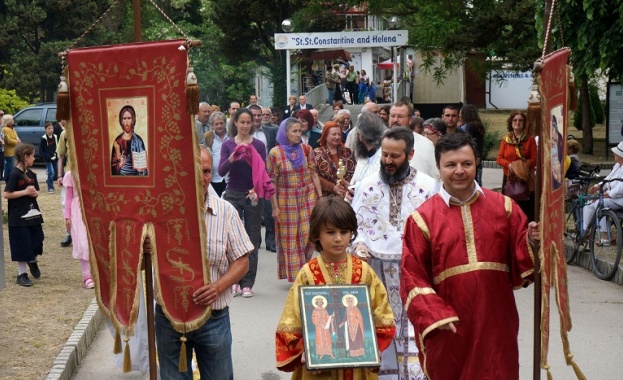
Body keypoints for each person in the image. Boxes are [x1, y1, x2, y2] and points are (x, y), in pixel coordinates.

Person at [400, 132, 540, 380]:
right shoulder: (422, 220)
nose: (459, 171)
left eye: (466, 163)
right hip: (450, 322)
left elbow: (523, 258)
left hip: (496, 318)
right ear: (438, 166)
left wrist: (531, 240)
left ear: (476, 163)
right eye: (451, 165)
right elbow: (412, 276)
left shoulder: (504, 207)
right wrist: (434, 314)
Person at [155, 146, 252, 380]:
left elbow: (242, 262)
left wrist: (217, 288)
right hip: (170, 319)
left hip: (214, 318)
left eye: (207, 171)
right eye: (193, 170)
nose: (201, 177)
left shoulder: (226, 211)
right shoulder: (159, 212)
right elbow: (139, 262)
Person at [350, 127, 438, 379]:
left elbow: (438, 230)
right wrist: (358, 247)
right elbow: (354, 229)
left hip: (415, 272)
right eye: (384, 155)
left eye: (394, 156)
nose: (388, 161)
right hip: (378, 271)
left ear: (409, 155)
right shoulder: (366, 186)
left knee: (413, 329)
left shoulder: (428, 187)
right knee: (381, 326)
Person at [275, 196, 396, 378]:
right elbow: (292, 319)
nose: (338, 239)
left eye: (344, 231)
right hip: (319, 367)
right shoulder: (308, 273)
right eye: (330, 232)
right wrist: (304, 348)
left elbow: (382, 314)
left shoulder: (363, 272)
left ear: (352, 233)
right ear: (316, 234)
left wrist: (373, 346)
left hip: (357, 363)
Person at [219, 108, 267, 298]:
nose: (246, 126)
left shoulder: (259, 145)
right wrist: (234, 156)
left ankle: (247, 283)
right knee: (233, 240)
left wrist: (257, 190)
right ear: (235, 123)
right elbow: (222, 171)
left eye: (249, 122)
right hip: (233, 194)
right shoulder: (228, 145)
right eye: (242, 122)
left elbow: (262, 172)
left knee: (251, 240)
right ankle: (233, 281)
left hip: (253, 194)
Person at [267, 118, 322, 282]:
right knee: (290, 238)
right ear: (285, 133)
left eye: (300, 131)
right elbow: (271, 182)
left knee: (309, 235)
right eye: (294, 131)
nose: (299, 134)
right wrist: (274, 207)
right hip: (285, 198)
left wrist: (320, 197)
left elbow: (313, 174)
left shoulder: (306, 149)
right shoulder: (275, 153)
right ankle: (299, 276)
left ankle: (304, 267)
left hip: (307, 196)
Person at [4, 143, 44, 287]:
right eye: (33, 156)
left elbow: (36, 193)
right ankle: (22, 274)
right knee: (22, 244)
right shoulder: (14, 174)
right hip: (18, 217)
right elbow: (6, 194)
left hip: (33, 215)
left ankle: (32, 260)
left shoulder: (31, 174)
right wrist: (25, 192)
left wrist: (34, 193)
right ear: (26, 157)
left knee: (38, 239)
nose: (34, 158)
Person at [496, 110, 537, 221]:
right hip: (509, 178)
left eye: (520, 120)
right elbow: (499, 158)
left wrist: (520, 167)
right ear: (511, 122)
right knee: (509, 207)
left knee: (526, 209)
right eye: (515, 120)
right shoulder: (506, 140)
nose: (517, 122)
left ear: (524, 123)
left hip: (525, 179)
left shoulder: (530, 140)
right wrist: (509, 166)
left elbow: (534, 160)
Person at [582, 141, 623, 238]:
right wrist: (598, 186)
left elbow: (620, 190)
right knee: (588, 205)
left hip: (620, 199)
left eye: (615, 153)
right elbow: (607, 179)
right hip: (613, 197)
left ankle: (606, 234)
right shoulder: (617, 166)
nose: (613, 154)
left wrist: (603, 195)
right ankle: (585, 230)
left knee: (600, 204)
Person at [389, 101, 439, 179]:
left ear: (410, 120)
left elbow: (435, 176)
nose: (395, 120)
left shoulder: (426, 144)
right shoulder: (378, 142)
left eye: (400, 116)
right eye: (392, 116)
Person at [63, 171, 94, 289]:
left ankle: (95, 273)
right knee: (83, 243)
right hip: (78, 211)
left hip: (92, 208)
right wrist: (67, 217)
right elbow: (69, 197)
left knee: (93, 242)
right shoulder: (71, 175)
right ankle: (86, 276)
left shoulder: (92, 171)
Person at [313, 121, 356, 197]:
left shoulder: (347, 151)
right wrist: (333, 187)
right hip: (327, 197)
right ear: (325, 136)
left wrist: (346, 184)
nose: (337, 137)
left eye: (339, 134)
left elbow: (354, 172)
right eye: (334, 134)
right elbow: (315, 176)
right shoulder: (318, 153)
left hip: (347, 195)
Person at [111, 105, 148, 176]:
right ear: (121, 121)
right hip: (120, 180)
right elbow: (113, 167)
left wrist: (141, 168)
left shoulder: (138, 140)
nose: (127, 122)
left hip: (135, 179)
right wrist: (120, 165)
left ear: (133, 120)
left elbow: (143, 167)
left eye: (129, 118)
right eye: (124, 118)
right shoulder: (117, 141)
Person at [203, 112, 230, 197]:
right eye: (216, 124)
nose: (219, 126)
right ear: (212, 126)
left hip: (230, 177)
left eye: (221, 123)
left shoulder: (231, 135)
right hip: (215, 178)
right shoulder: (208, 137)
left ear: (225, 123)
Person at [459, 104, 485, 185]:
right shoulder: (479, 126)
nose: (460, 115)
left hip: (471, 157)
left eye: (461, 113)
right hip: (478, 157)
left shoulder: (469, 126)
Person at [56, 125, 72, 247]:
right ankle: (70, 233)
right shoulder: (65, 134)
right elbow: (61, 156)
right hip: (69, 174)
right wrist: (59, 175)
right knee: (65, 204)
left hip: (84, 176)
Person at [310, 295, 335, 360]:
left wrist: (331, 317)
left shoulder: (324, 310)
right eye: (319, 302)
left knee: (327, 339)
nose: (320, 303)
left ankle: (330, 353)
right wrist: (318, 324)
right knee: (320, 340)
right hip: (319, 327)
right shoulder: (314, 310)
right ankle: (322, 353)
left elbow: (327, 317)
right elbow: (313, 318)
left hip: (325, 327)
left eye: (321, 302)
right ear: (317, 303)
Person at [39, 122, 58, 193]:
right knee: (51, 172)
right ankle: (50, 187)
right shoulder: (43, 138)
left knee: (55, 172)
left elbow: (57, 146)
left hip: (54, 157)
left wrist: (56, 154)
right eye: (49, 128)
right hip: (48, 158)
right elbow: (41, 150)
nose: (51, 130)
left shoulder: (55, 137)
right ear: (45, 129)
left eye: (52, 128)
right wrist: (45, 157)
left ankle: (48, 180)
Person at [2, 114, 20, 181]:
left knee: (7, 168)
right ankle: (15, 181)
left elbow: (16, 137)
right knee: (13, 168)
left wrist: (18, 140)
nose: (13, 120)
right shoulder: (5, 129)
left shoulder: (13, 128)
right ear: (8, 121)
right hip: (9, 153)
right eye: (12, 119)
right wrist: (17, 142)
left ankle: (5, 179)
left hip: (14, 151)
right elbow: (8, 140)